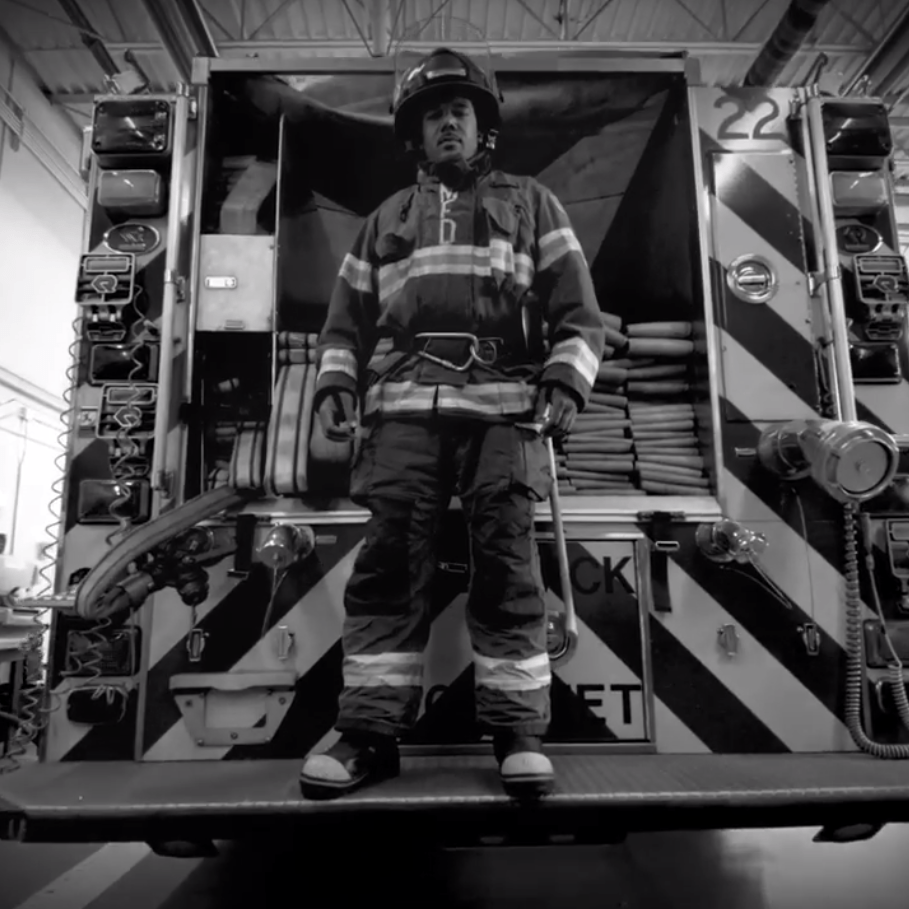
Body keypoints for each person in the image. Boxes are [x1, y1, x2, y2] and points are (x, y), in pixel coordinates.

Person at [299, 47, 607, 800]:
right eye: (433, 114)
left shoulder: (533, 204)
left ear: (482, 125)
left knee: (506, 566)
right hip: (403, 412)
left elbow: (578, 313)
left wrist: (566, 380)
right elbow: (345, 323)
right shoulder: (385, 220)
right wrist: (334, 383)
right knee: (387, 570)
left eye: (459, 112)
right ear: (415, 133)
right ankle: (369, 734)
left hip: (505, 411)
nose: (447, 124)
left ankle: (517, 732)